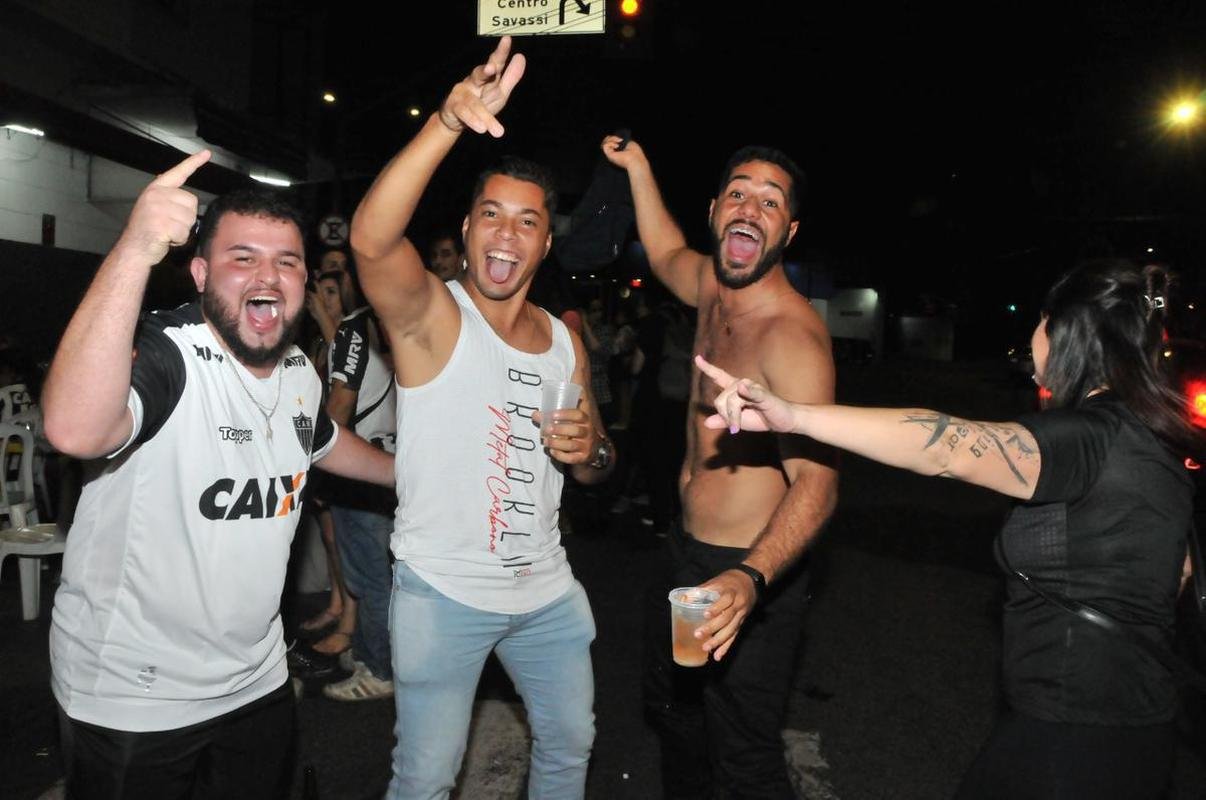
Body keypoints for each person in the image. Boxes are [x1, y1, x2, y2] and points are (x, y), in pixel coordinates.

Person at [698, 259, 1199, 800]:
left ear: (1064, 333)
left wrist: (794, 417)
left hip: (1072, 738)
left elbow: (946, 446)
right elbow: (1174, 575)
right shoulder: (1155, 442)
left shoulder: (1086, 437)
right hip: (1135, 729)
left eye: (1040, 320)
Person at [41, 153, 395, 800]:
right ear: (201, 272)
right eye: (243, 257)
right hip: (135, 696)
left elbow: (321, 441)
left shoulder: (295, 370)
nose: (269, 275)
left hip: (257, 681)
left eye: (287, 261)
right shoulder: (169, 353)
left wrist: (409, 474)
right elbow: (74, 429)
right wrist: (135, 250)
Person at [351, 37, 616, 799]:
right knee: (427, 778)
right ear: (466, 231)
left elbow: (600, 468)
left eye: (527, 221)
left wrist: (590, 451)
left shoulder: (567, 341)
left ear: (545, 240)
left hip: (548, 596)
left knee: (570, 750)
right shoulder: (433, 316)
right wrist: (445, 121)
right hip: (444, 595)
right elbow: (371, 237)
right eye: (491, 215)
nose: (507, 233)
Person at [603, 135, 838, 798]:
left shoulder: (792, 337)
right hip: (686, 551)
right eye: (738, 193)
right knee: (677, 715)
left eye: (770, 202)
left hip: (748, 570)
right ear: (715, 211)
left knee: (744, 754)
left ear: (787, 231)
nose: (750, 207)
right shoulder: (712, 284)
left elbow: (818, 485)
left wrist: (750, 577)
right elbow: (667, 250)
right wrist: (641, 167)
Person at [320, 265, 398, 702]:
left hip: (358, 469)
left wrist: (312, 458)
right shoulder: (394, 322)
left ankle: (379, 668)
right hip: (389, 461)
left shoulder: (354, 330)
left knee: (370, 578)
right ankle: (372, 652)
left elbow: (339, 408)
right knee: (378, 573)